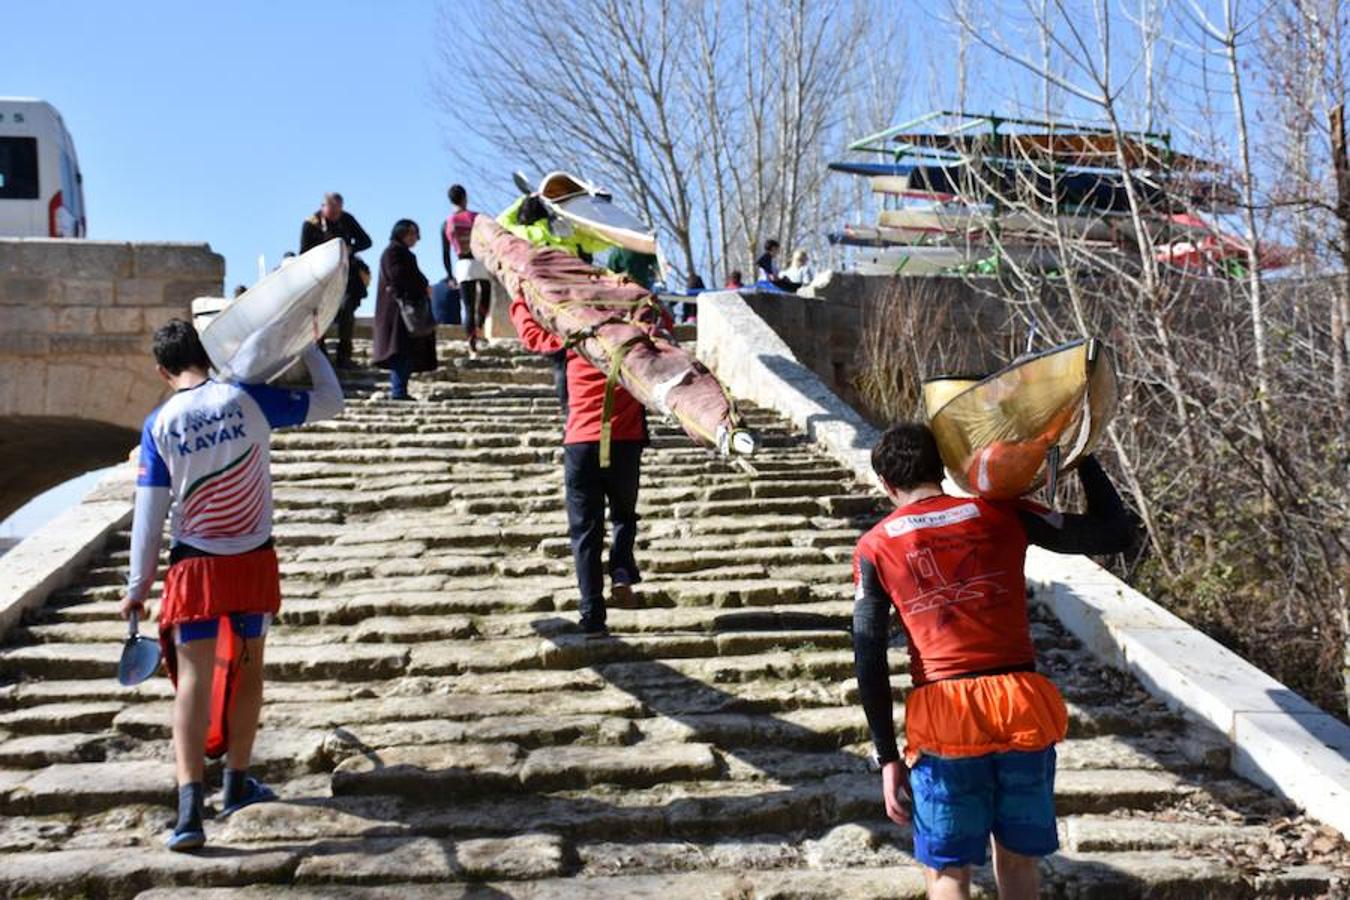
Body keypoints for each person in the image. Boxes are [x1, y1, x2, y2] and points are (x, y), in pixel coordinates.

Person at [852, 423, 1136, 900]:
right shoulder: (1002, 513)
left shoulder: (875, 547)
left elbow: (868, 653)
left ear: (885, 484)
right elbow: (1115, 532)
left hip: (945, 718)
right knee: (1019, 858)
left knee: (947, 873)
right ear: (940, 469)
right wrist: (1081, 454)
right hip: (1021, 704)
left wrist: (887, 755)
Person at [121, 319, 343, 852]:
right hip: (252, 560)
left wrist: (137, 587)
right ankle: (236, 784)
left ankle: (188, 813)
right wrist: (310, 346)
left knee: (194, 683)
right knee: (248, 671)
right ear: (206, 354)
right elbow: (331, 401)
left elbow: (150, 516)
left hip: (194, 567)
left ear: (162, 371)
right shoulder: (248, 398)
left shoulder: (160, 424)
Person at [300, 192, 372, 369]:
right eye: (332, 211)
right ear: (323, 207)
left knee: (347, 310)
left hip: (346, 273)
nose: (335, 215)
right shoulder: (311, 224)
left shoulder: (346, 220)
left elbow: (366, 241)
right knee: (320, 313)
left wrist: (350, 248)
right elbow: (303, 252)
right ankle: (321, 355)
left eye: (338, 212)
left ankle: (344, 356)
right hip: (321, 275)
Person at [372, 220, 437, 400]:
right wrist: (422, 286)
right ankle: (398, 392)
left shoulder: (401, 253)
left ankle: (401, 390)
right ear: (404, 233)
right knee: (399, 352)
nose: (416, 238)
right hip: (397, 311)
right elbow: (399, 277)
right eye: (413, 234)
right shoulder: (393, 253)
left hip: (403, 310)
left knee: (405, 352)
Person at [442, 184, 492, 358]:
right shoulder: (477, 217)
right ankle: (480, 329)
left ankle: (472, 346)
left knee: (468, 306)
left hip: (463, 264)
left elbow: (445, 253)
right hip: (480, 261)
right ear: (465, 197)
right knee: (485, 298)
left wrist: (449, 275)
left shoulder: (447, 223)